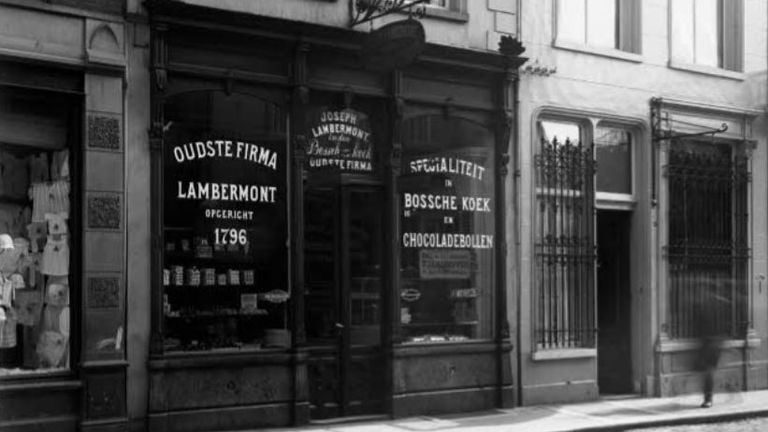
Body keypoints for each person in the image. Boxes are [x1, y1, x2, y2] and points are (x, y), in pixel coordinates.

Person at [693, 281, 726, 408]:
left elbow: (700, 326)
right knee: (708, 370)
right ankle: (708, 397)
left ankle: (708, 398)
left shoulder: (704, 305)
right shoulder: (723, 304)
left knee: (708, 371)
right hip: (716, 342)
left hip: (709, 343)